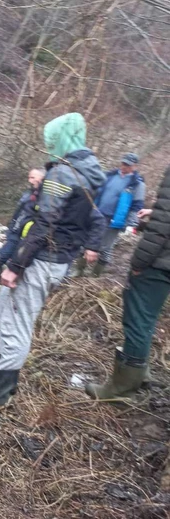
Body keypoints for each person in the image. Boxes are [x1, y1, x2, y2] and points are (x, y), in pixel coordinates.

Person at [0, 112, 106, 410]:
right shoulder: (89, 172)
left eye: (51, 140)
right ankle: (1, 372)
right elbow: (84, 220)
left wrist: (16, 267)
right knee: (5, 307)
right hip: (57, 259)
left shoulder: (63, 174)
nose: (48, 145)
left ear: (62, 138)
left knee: (17, 322)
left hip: (41, 260)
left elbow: (45, 224)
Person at [86, 164, 170, 402]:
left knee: (138, 320)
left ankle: (121, 391)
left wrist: (140, 262)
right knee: (148, 317)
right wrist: (155, 213)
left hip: (159, 264)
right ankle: (140, 373)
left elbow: (163, 228)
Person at [75, 153, 146, 276]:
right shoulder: (109, 175)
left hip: (114, 219)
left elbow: (136, 206)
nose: (124, 166)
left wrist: (130, 223)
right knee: (87, 240)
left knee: (106, 248)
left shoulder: (137, 184)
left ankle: (95, 275)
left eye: (128, 165)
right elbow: (96, 192)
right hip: (97, 214)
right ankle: (78, 271)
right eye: (123, 163)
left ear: (135, 166)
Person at [0, 168, 45, 266]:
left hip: (26, 239)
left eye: (33, 177)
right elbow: (17, 213)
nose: (30, 181)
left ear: (42, 178)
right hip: (15, 234)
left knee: (16, 265)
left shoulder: (45, 198)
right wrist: (9, 231)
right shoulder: (28, 194)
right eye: (29, 177)